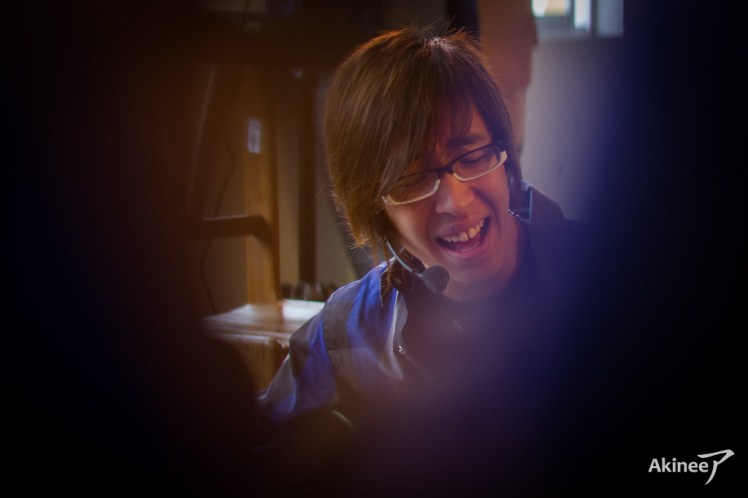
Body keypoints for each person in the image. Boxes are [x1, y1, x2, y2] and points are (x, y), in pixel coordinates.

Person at [255, 25, 592, 494]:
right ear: (375, 209)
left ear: (503, 151)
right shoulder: (349, 331)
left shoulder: (610, 282)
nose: (456, 202)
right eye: (412, 180)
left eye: (472, 156)